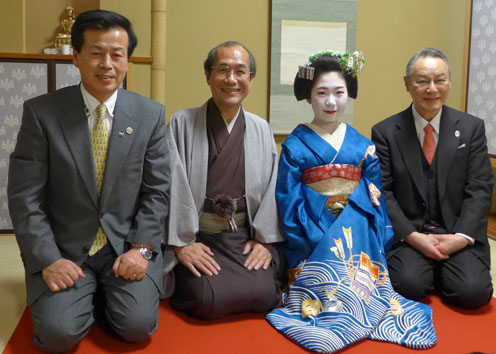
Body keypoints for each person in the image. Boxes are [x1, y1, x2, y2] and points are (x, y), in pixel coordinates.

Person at [8, 10, 170, 352]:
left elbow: (157, 192)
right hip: (64, 250)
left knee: (137, 327)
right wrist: (48, 258)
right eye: (96, 53)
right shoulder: (42, 113)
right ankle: (84, 296)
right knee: (57, 337)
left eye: (117, 54)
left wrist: (141, 249)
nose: (107, 64)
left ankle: (100, 298)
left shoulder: (150, 115)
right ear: (76, 57)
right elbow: (25, 198)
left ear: (128, 60)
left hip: (125, 247)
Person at [266, 51, 436, 353]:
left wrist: (368, 237)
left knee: (361, 287)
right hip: (311, 237)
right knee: (324, 294)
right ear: (308, 97)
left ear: (349, 95)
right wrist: (321, 239)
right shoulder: (294, 146)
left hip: (358, 240)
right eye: (321, 93)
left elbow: (375, 198)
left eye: (339, 93)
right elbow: (289, 202)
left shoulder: (363, 145)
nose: (331, 102)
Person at [164, 41, 283, 320]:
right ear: (208, 76)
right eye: (223, 70)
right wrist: (182, 244)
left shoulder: (260, 128)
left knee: (266, 294)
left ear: (250, 79)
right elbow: (173, 185)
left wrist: (264, 241)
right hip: (197, 235)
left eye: (240, 72)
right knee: (207, 299)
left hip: (241, 235)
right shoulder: (181, 122)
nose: (231, 80)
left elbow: (271, 189)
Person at [371, 48, 495, 309]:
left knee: (472, 293)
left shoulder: (471, 128)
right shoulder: (385, 132)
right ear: (407, 84)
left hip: (458, 232)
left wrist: (460, 237)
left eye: (440, 80)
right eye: (422, 81)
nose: (432, 89)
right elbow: (384, 192)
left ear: (449, 82)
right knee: (407, 285)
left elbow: (480, 188)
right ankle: (432, 271)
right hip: (412, 235)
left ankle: (444, 271)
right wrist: (413, 237)